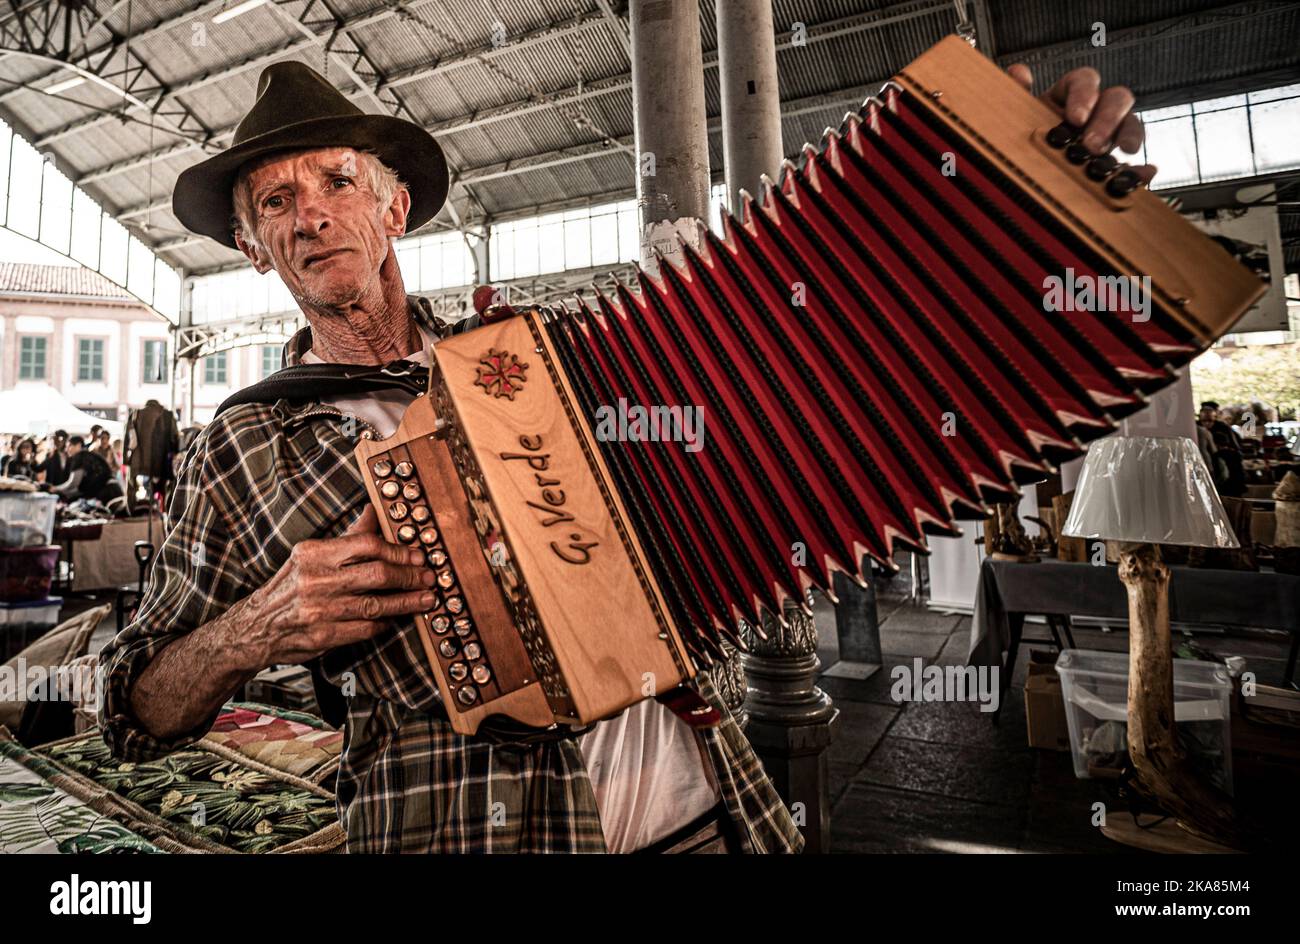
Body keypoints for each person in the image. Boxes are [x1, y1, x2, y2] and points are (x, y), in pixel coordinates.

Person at [100, 58, 1149, 854]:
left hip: (713, 814)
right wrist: (251, 627)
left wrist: (1008, 194)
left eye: (335, 181)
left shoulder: (552, 355)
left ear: (393, 207)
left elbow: (824, 354)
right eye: (274, 202)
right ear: (250, 245)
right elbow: (136, 709)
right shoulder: (242, 440)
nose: (311, 212)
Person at [49, 435, 114, 502]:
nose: (67, 449)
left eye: (69, 446)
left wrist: (55, 488)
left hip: (104, 493)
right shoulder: (88, 455)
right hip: (110, 490)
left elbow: (73, 483)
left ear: (78, 445)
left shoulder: (79, 457)